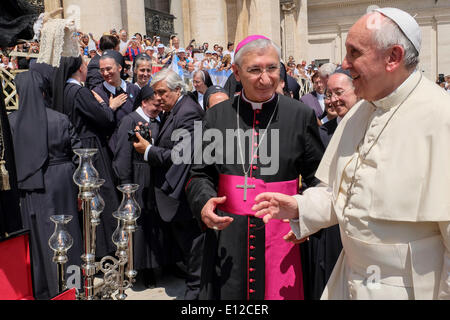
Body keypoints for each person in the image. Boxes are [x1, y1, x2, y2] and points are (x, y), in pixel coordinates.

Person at [253, 8, 450, 300]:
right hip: (350, 278)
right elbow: (343, 193)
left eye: (354, 53)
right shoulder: (360, 110)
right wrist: (300, 207)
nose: (343, 64)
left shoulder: (440, 117)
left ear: (393, 57)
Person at [185, 35, 324, 300]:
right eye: (254, 70)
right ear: (236, 72)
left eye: (272, 68)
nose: (266, 78)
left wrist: (304, 214)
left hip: (283, 233)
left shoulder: (300, 115)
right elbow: (199, 174)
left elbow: (317, 179)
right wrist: (203, 203)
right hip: (229, 234)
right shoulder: (216, 116)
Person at [9, 69, 83, 299]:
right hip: (61, 184)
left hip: (29, 190)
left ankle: (42, 291)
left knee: (39, 241)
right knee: (67, 234)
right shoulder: (59, 118)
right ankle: (73, 287)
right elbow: (79, 154)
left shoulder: (11, 122)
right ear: (42, 93)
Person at [133, 69, 205, 300]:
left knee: (195, 248)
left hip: (184, 193)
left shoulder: (189, 112)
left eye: (162, 92)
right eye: (155, 93)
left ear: (177, 90)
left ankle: (197, 294)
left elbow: (180, 155)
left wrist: (149, 150)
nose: (158, 98)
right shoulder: (174, 110)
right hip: (174, 195)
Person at [52, 55, 120, 258]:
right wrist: (110, 106)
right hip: (90, 150)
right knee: (101, 200)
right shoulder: (78, 91)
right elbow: (104, 119)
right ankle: (105, 251)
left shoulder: (63, 90)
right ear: (79, 69)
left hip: (76, 149)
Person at [113, 85, 165, 289]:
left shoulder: (158, 119)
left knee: (155, 225)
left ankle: (158, 264)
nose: (158, 109)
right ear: (143, 102)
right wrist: (126, 186)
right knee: (140, 226)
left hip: (154, 179)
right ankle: (142, 269)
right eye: (154, 105)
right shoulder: (130, 120)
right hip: (137, 179)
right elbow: (122, 157)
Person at [92, 49, 139, 154]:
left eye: (108, 69)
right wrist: (110, 108)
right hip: (111, 149)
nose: (105, 73)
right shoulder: (97, 93)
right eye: (102, 70)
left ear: (119, 67)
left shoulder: (134, 90)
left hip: (135, 147)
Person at [319, 70, 359, 147]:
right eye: (329, 95)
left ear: (356, 90)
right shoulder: (324, 133)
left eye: (339, 92)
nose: (333, 100)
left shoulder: (370, 123)